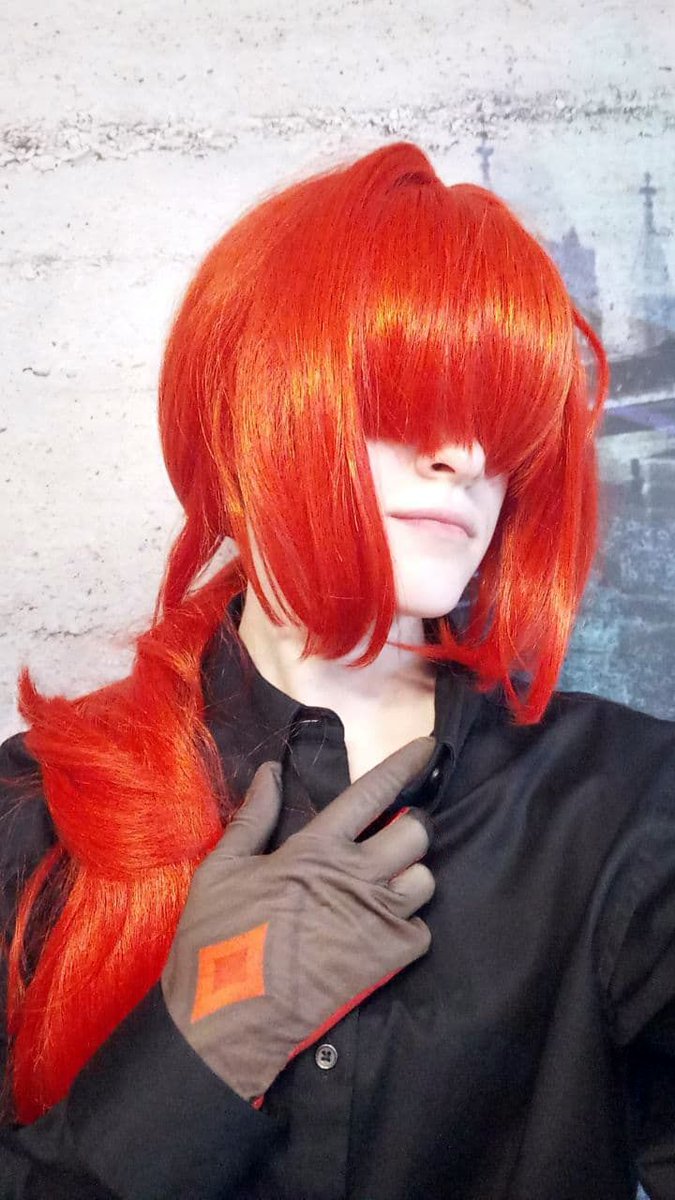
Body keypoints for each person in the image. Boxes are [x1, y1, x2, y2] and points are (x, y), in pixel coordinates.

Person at [0, 140, 674, 1200]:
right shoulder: (41, 809)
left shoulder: (626, 807)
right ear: (247, 407)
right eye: (402, 399)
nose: (464, 457)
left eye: (497, 422)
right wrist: (195, 1051)